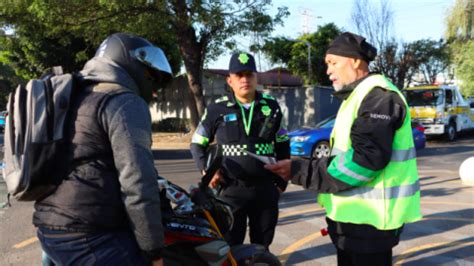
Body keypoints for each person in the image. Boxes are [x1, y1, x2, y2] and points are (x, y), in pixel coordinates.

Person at [265, 32, 422, 266]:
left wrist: (299, 170)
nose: (328, 70)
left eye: (333, 62)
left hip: (371, 226)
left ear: (356, 61)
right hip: (353, 224)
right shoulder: (357, 96)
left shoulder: (378, 97)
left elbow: (363, 162)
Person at [33, 33, 173, 266]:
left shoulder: (75, 95)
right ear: (130, 64)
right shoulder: (124, 101)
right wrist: (153, 251)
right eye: (151, 76)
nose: (154, 89)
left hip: (50, 229)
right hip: (88, 235)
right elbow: (137, 183)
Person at [190, 52, 290, 250]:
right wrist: (207, 170)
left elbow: (283, 143)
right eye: (239, 75)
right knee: (230, 246)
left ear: (256, 77)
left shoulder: (272, 107)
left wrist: (281, 183)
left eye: (249, 74)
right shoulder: (217, 109)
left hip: (265, 189)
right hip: (230, 190)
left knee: (262, 246)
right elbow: (196, 144)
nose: (245, 79)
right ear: (230, 80)